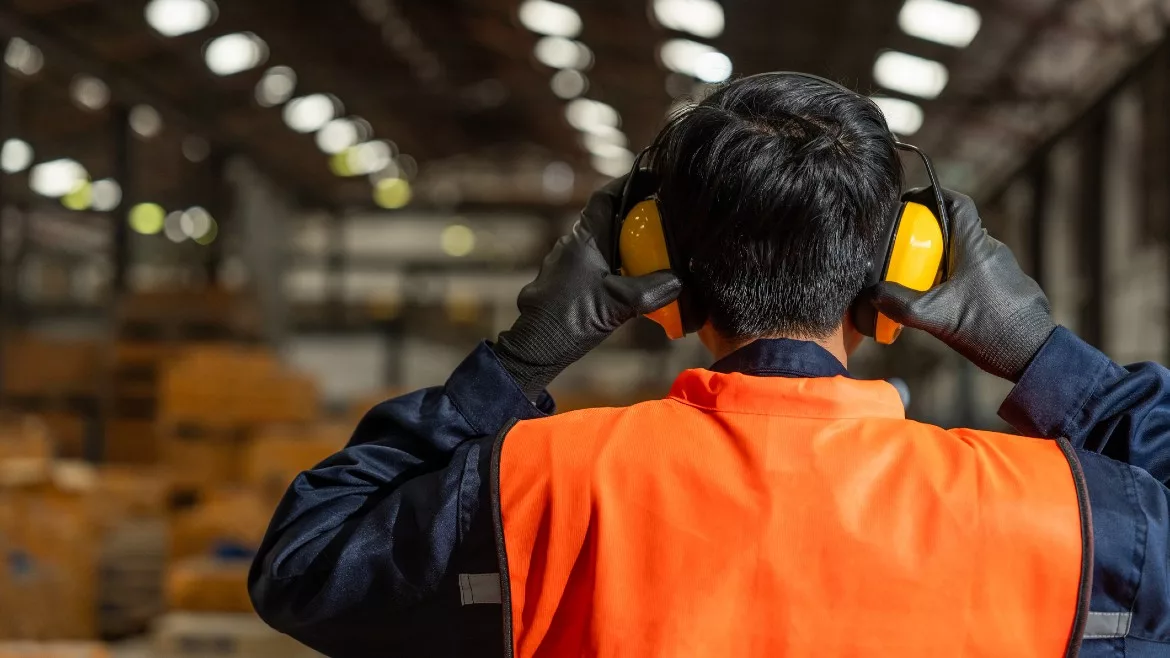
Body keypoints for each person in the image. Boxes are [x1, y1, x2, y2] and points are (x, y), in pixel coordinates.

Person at [249, 74, 1170, 657]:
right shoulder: (1063, 512)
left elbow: (306, 562)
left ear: (661, 275)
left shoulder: (542, 487)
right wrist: (1042, 354)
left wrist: (526, 354)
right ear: (899, 276)